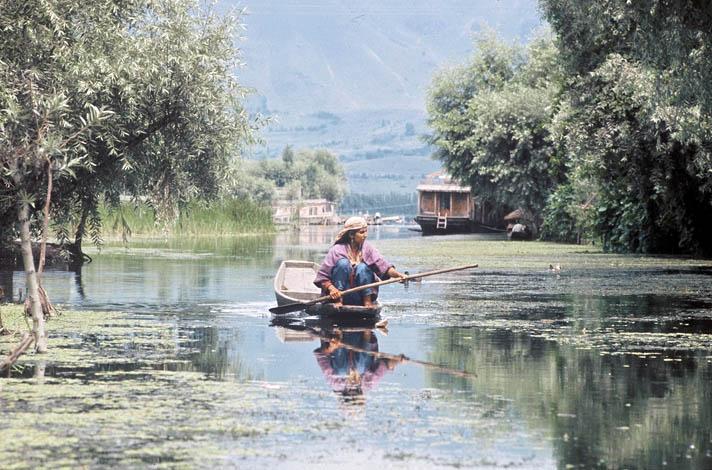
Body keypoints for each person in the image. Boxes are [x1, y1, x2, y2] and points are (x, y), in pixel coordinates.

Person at [314, 216, 405, 308]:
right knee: (343, 264)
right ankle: (338, 301)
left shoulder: (368, 248)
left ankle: (367, 301)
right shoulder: (336, 250)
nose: (365, 235)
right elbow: (322, 276)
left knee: (362, 267)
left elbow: (383, 266)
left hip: (360, 296)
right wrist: (332, 289)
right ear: (351, 235)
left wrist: (399, 275)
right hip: (340, 294)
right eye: (361, 232)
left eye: (366, 231)